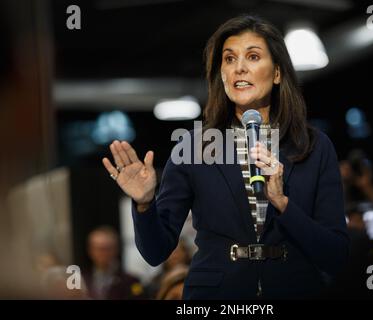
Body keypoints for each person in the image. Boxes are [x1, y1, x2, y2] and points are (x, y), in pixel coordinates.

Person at [102, 15, 349, 299]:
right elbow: (155, 252)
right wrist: (145, 205)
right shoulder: (193, 148)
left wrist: (283, 204)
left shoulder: (314, 146)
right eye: (229, 59)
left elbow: (336, 255)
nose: (239, 68)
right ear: (221, 73)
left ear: (278, 72)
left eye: (253, 57)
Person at [84, 226, 145, 299]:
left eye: (107, 248)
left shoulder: (131, 281)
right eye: (99, 249)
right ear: (90, 250)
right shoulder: (81, 279)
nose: (103, 253)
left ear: (116, 249)